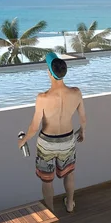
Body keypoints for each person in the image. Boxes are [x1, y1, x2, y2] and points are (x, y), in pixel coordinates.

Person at [17, 52, 86, 213]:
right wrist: (83, 131)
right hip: (68, 140)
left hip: (47, 143)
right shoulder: (76, 92)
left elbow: (35, 126)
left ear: (49, 72)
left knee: (47, 181)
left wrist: (23, 140)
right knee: (69, 174)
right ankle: (70, 204)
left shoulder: (43, 98)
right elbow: (83, 117)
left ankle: (51, 212)